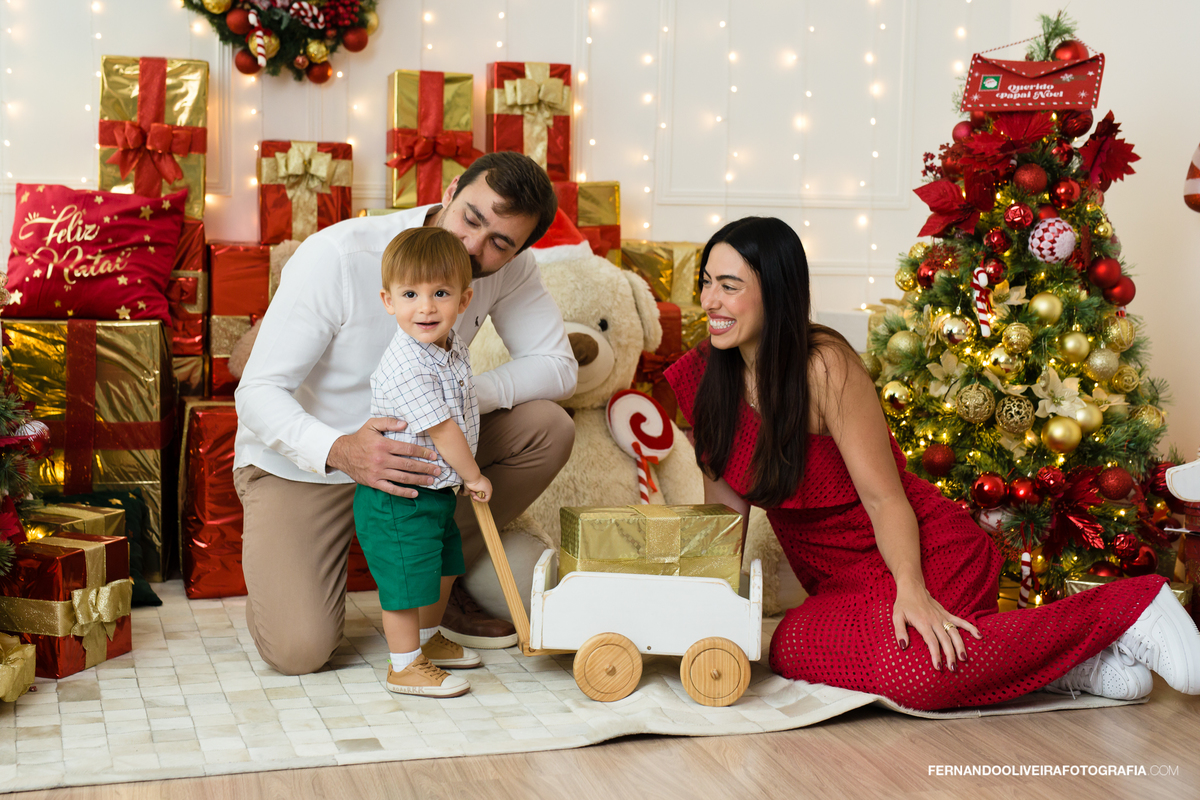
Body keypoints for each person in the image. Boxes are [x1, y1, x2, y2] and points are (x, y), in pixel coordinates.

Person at [663, 216, 1200, 710]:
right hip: (840, 586)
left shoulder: (824, 366)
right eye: (707, 282)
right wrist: (700, 616)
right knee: (787, 648)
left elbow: (885, 497)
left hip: (918, 553)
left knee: (916, 678)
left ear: (774, 292)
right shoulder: (706, 376)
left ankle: (1130, 604)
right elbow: (725, 524)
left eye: (729, 286)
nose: (711, 299)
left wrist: (911, 591)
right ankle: (1076, 667)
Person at [234, 152, 577, 676]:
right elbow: (256, 392)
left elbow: (558, 367)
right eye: (471, 218)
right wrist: (341, 450)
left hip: (426, 463)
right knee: (299, 651)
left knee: (547, 429)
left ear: (520, 251)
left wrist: (450, 398)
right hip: (309, 462)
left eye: (500, 243)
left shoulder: (508, 270)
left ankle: (436, 579)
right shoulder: (340, 255)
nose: (473, 246)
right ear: (451, 190)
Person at [354, 227, 492, 697]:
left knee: (443, 565)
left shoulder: (450, 350)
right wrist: (473, 474)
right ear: (388, 300)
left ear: (464, 298)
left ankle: (429, 641)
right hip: (399, 497)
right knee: (406, 578)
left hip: (433, 491)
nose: (426, 307)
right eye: (410, 294)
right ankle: (404, 664)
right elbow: (442, 428)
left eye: (440, 293)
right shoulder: (407, 363)